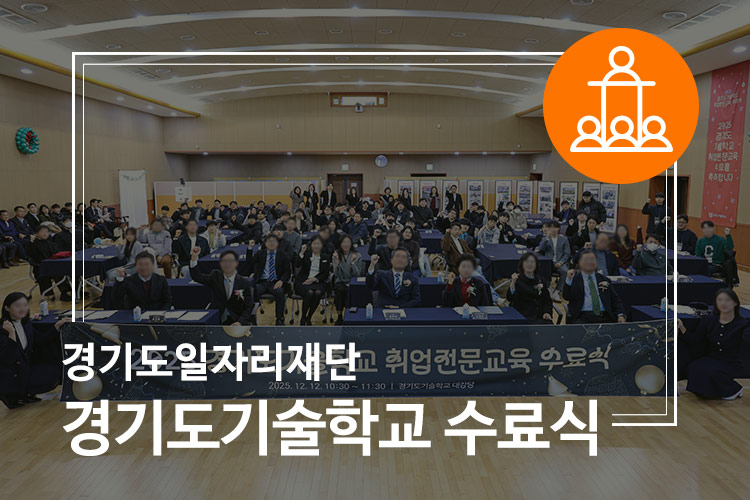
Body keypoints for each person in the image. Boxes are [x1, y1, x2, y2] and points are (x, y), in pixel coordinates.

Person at [1, 292, 69, 409]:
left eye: (25, 305)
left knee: (52, 371)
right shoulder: (3, 329)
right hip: (8, 373)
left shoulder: (25, 324)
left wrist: (57, 326)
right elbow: (9, 357)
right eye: (17, 306)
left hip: (22, 368)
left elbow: (39, 339)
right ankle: (11, 394)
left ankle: (25, 393)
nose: (22, 309)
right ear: (7, 308)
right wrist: (11, 334)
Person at [677, 288, 747, 400]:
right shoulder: (709, 320)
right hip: (713, 358)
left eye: (727, 300)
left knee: (712, 371)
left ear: (735, 303)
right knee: (695, 367)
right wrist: (681, 327)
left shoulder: (743, 324)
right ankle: (708, 392)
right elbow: (695, 339)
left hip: (732, 361)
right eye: (720, 300)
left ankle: (733, 389)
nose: (723, 303)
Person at [190, 249, 255, 325]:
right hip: (216, 317)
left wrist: (240, 322)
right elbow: (197, 277)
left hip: (236, 318)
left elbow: (248, 306)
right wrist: (194, 258)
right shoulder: (215, 276)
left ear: (236, 263)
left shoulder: (244, 283)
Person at [563, 249, 626, 324]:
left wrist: (620, 315)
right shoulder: (574, 279)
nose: (589, 262)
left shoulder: (605, 279)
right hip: (582, 316)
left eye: (592, 260)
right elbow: (566, 296)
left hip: (604, 316)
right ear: (579, 263)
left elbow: (615, 300)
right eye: (586, 260)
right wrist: (569, 280)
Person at [248, 234, 291, 325]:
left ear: (277, 243)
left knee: (280, 292)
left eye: (273, 241)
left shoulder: (283, 255)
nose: (271, 243)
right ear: (265, 243)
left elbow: (287, 271)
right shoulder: (260, 253)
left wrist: (281, 281)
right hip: (262, 282)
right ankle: (250, 318)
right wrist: (250, 248)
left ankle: (279, 318)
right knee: (251, 292)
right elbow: (249, 262)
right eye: (269, 241)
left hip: (275, 282)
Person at [293, 235, 331, 325]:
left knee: (317, 293)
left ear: (322, 245)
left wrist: (315, 279)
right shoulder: (306, 254)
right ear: (311, 245)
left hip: (318, 282)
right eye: (314, 244)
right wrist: (301, 252)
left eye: (318, 244)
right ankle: (303, 317)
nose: (316, 246)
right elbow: (297, 264)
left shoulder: (326, 257)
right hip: (303, 281)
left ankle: (309, 317)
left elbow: (326, 273)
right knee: (309, 292)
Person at [27, 226, 72, 301]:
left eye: (47, 232)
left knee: (66, 270)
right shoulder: (33, 244)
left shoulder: (50, 242)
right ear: (37, 233)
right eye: (42, 232)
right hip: (40, 267)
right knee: (54, 274)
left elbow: (57, 253)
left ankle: (69, 291)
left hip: (53, 265)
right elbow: (29, 254)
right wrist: (31, 242)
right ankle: (49, 293)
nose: (45, 234)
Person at [508, 253, 554, 323]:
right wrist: (513, 283)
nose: (529, 264)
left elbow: (547, 301)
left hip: (539, 316)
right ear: (522, 264)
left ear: (536, 265)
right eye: (527, 262)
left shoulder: (541, 280)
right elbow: (510, 298)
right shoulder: (517, 280)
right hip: (523, 317)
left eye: (532, 262)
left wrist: (547, 312)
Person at [695, 221, 737, 287]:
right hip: (705, 264)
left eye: (709, 228)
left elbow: (730, 247)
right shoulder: (700, 241)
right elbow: (698, 256)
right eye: (704, 228)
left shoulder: (720, 239)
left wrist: (728, 235)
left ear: (713, 228)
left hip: (717, 264)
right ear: (702, 230)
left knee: (706, 270)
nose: (707, 230)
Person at [332, 235, 362, 325]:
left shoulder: (357, 256)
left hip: (352, 281)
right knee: (340, 289)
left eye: (348, 242)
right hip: (340, 280)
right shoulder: (336, 255)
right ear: (340, 244)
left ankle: (350, 316)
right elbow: (337, 274)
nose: (346, 244)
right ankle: (339, 316)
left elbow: (357, 274)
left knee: (349, 290)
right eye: (343, 242)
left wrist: (352, 263)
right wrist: (337, 263)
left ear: (351, 243)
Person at [537, 220, 570, 295]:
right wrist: (547, 238)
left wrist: (561, 262)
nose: (554, 229)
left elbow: (567, 253)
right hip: (549, 262)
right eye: (552, 228)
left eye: (556, 227)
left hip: (560, 262)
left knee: (565, 271)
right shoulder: (545, 239)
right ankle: (548, 288)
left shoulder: (564, 239)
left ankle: (558, 290)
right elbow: (540, 249)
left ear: (559, 228)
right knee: (543, 269)